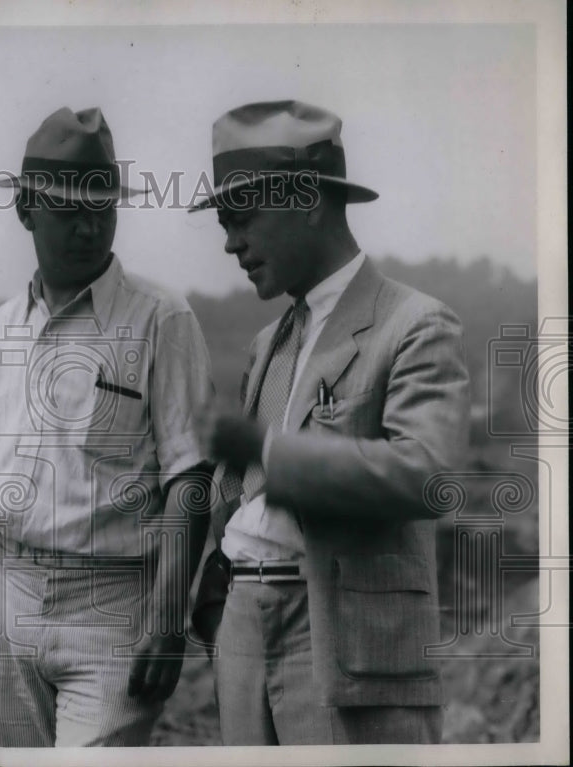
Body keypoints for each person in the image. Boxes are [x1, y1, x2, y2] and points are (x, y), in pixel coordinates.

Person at [190, 100, 470, 744]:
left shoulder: (415, 324)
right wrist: (223, 576)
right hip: (243, 632)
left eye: (241, 217)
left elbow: (426, 476)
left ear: (307, 201)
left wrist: (270, 452)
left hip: (345, 641)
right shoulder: (268, 343)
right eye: (223, 222)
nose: (230, 242)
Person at [0, 107, 214, 746]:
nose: (90, 227)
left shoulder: (161, 320)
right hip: (4, 596)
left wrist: (168, 619)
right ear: (26, 209)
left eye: (103, 208)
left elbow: (189, 476)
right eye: (69, 211)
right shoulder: (1, 329)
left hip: (113, 605)